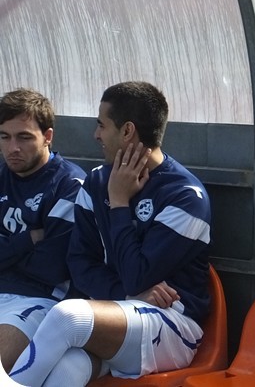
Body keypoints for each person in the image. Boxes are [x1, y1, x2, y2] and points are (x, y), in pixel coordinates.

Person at [10, 81, 213, 386]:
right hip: (112, 312)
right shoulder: (96, 182)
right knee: (68, 369)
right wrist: (126, 294)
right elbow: (79, 265)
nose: (96, 135)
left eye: (102, 125)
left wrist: (119, 202)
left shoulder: (185, 196)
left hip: (173, 322)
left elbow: (136, 276)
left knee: (68, 316)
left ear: (127, 131)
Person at [0, 88, 86, 372]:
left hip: (38, 298)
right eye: (4, 137)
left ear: (47, 136)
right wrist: (29, 239)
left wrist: (7, 248)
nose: (13, 148)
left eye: (24, 137)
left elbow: (51, 267)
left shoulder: (70, 185)